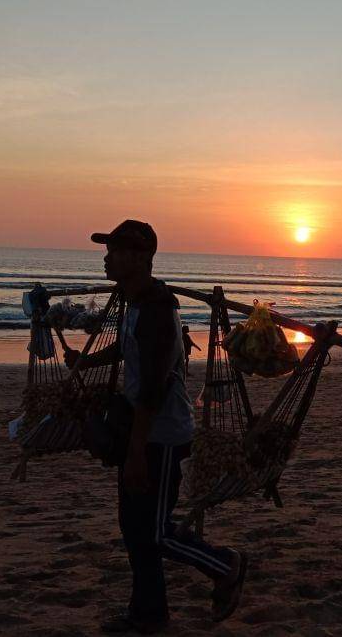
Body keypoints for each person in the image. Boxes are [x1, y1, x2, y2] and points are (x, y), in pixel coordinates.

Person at [64, 220, 247, 633]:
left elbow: (154, 388)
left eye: (115, 251)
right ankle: (148, 614)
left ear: (141, 258)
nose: (107, 258)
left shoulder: (158, 310)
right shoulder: (136, 302)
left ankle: (225, 565)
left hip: (161, 435)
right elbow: (128, 347)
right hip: (142, 430)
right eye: (108, 250)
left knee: (156, 532)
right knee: (135, 529)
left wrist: (136, 453)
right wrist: (88, 361)